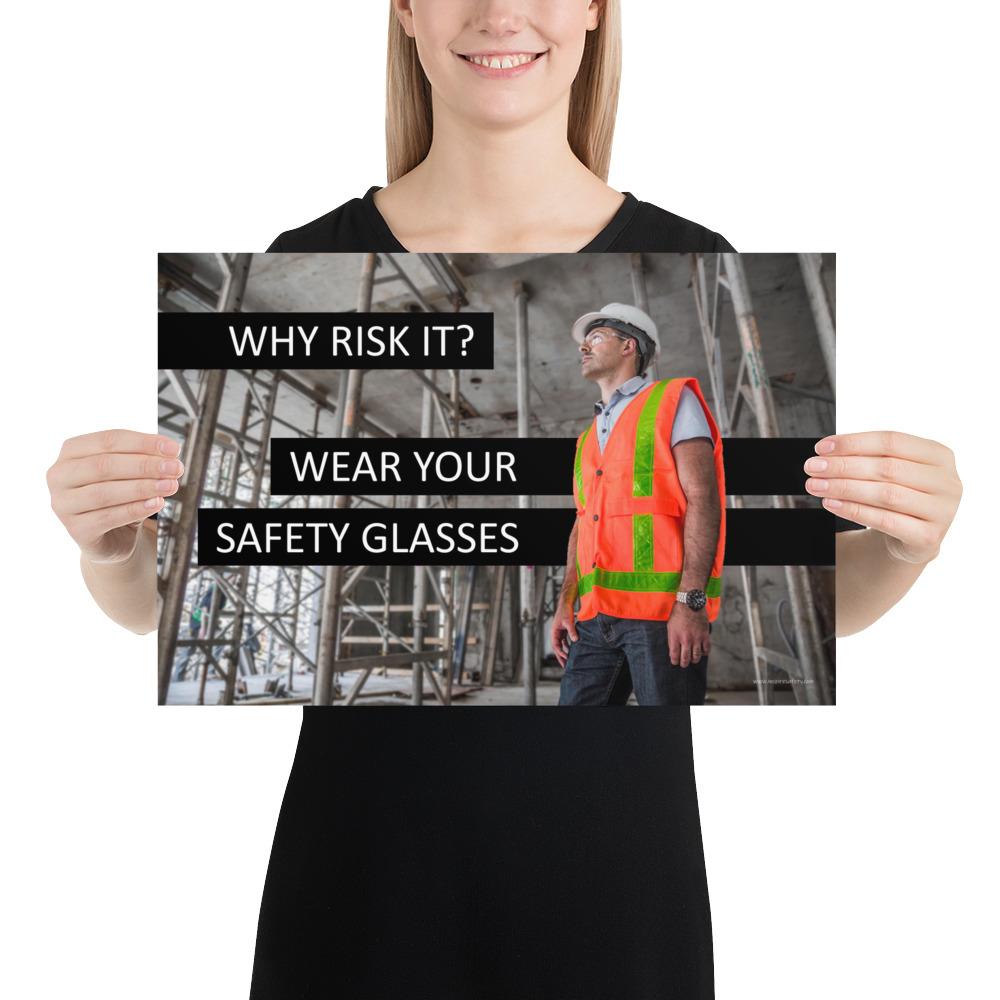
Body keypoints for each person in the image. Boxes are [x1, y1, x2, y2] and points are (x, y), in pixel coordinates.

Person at [43, 3, 964, 997]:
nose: (498, 7)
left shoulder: (689, 315)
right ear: (403, 10)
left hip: (613, 870)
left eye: (594, 340)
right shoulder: (314, 256)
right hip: (366, 869)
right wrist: (110, 547)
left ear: (595, 11)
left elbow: (730, 527)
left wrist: (903, 548)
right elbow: (154, 606)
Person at [267, 0, 734, 254]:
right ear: (406, 7)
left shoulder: (702, 252)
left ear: (595, 5)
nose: (499, 17)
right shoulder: (297, 253)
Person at [555, 303, 726, 705]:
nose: (584, 347)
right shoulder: (587, 438)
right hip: (594, 618)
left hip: (662, 615)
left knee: (668, 744)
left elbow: (704, 499)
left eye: (595, 337)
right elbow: (584, 522)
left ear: (629, 345)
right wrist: (566, 602)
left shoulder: (670, 401)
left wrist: (690, 602)